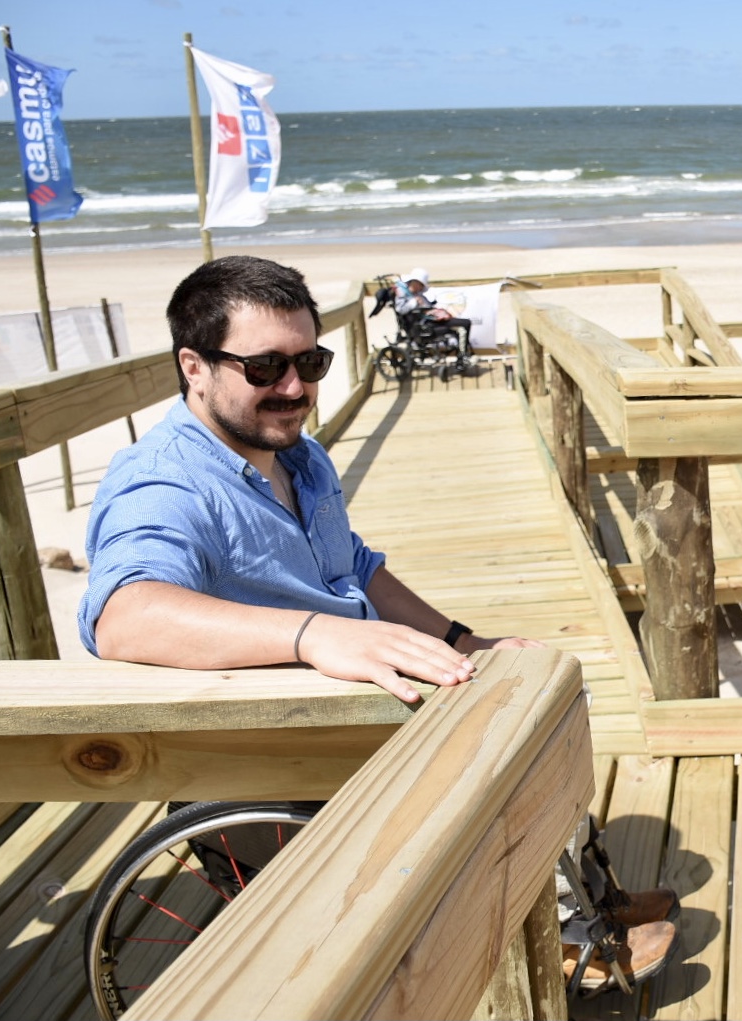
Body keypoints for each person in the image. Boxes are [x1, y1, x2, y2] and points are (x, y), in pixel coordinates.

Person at [79, 255, 676, 994]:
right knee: (499, 744)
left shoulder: (298, 455)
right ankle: (552, 934)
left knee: (534, 684)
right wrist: (314, 635)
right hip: (278, 745)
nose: (294, 387)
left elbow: (355, 568)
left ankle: (588, 901)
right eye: (264, 367)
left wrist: (463, 639)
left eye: (310, 360)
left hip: (363, 705)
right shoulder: (163, 479)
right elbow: (123, 614)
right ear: (194, 367)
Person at [395, 267, 472, 351]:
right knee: (464, 324)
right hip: (426, 324)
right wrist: (415, 302)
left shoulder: (418, 295)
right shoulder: (404, 293)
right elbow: (400, 309)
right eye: (421, 285)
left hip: (433, 319)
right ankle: (464, 354)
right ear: (415, 282)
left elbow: (427, 306)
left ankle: (464, 352)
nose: (421, 288)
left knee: (466, 323)